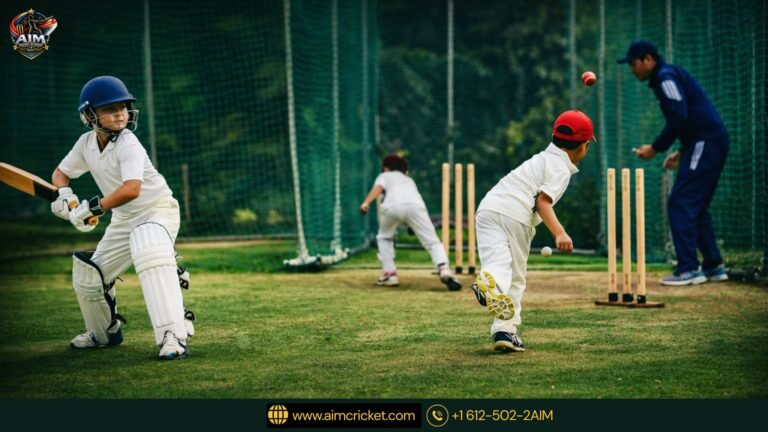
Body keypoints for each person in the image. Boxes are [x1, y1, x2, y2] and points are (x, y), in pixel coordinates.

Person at [50, 76, 195, 360]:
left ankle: (173, 336)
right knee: (90, 273)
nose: (119, 113)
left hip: (157, 209)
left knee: (149, 245)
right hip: (123, 218)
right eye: (110, 108)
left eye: (123, 107)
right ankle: (103, 333)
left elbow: (132, 189)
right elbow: (60, 173)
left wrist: (92, 208)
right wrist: (65, 195)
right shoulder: (85, 143)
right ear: (89, 115)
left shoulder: (129, 142)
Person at [471, 110, 594, 352]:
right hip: (516, 213)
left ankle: (490, 283)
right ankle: (505, 330)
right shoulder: (560, 167)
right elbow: (542, 202)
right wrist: (559, 232)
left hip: (487, 208)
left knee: (497, 263)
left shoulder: (541, 158)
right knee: (516, 277)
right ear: (583, 146)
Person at [618, 40, 729, 285]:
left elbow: (680, 114)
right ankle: (713, 266)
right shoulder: (667, 76)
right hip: (705, 141)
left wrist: (656, 148)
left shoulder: (665, 77)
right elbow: (690, 115)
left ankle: (688, 269)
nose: (632, 70)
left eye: (634, 64)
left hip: (706, 141)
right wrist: (683, 150)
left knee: (681, 201)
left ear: (649, 60)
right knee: (695, 204)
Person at [360, 153, 461, 291]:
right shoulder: (408, 180)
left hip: (391, 207)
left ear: (385, 167)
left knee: (384, 238)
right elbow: (407, 206)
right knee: (432, 241)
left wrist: (366, 202)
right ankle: (444, 268)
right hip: (416, 207)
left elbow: (378, 188)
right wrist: (411, 224)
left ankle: (390, 274)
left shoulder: (384, 176)